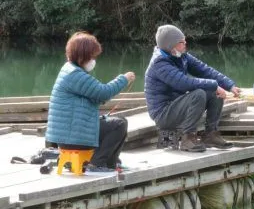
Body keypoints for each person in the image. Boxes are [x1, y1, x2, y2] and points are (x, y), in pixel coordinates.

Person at [46, 32, 135, 172]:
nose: (94, 60)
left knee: (117, 121)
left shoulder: (69, 70)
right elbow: (103, 92)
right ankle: (98, 163)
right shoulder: (75, 75)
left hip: (69, 134)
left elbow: (95, 95)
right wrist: (123, 79)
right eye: (92, 56)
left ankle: (110, 163)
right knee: (119, 124)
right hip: (73, 136)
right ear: (82, 56)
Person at [144, 24, 241, 152]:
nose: (185, 44)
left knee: (212, 92)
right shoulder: (159, 63)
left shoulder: (181, 55)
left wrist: (229, 85)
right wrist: (214, 85)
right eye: (181, 42)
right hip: (163, 114)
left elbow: (205, 70)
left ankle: (210, 135)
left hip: (177, 106)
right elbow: (184, 83)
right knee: (199, 93)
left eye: (185, 40)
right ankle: (188, 138)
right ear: (170, 45)